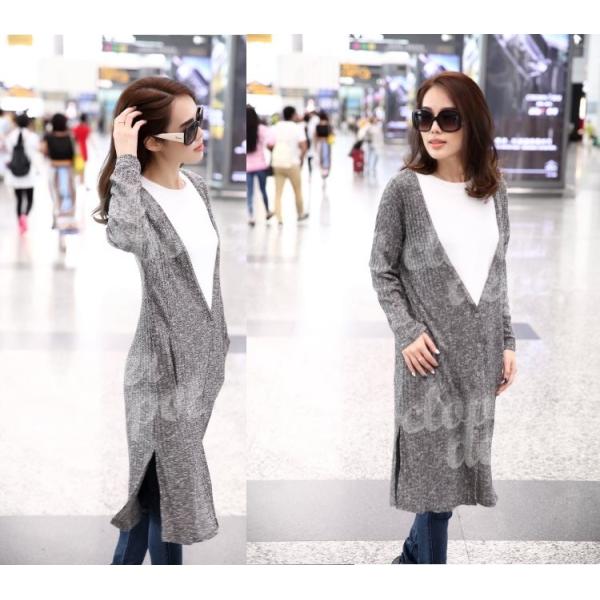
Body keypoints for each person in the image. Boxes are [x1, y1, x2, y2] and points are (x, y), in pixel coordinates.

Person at [369, 71, 517, 564]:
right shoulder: (404, 190)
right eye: (424, 117)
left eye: (448, 118)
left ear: (472, 123)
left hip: (479, 358)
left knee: (451, 481)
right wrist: (407, 332)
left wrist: (507, 340)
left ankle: (411, 559)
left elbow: (497, 272)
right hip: (427, 360)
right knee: (433, 485)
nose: (434, 129)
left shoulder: (493, 191)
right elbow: (382, 270)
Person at [92, 76, 230, 565]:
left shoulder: (198, 188)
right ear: (152, 141)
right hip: (160, 374)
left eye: (200, 120)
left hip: (201, 370)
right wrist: (125, 159)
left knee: (152, 499)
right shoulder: (138, 198)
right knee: (169, 502)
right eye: (188, 127)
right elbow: (124, 235)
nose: (200, 134)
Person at [39, 113, 77, 250]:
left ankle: (57, 218)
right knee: (67, 200)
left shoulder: (47, 136)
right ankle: (63, 230)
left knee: (56, 198)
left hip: (54, 170)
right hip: (68, 171)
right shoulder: (70, 136)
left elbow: (42, 150)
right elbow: (75, 153)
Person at [269, 105, 309, 225]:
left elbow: (269, 144)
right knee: (297, 190)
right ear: (293, 115)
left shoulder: (276, 127)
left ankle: (279, 217)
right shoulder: (297, 128)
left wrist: (275, 152)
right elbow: (304, 146)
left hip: (277, 163)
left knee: (278, 192)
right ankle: (300, 213)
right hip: (293, 163)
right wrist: (301, 159)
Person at [4, 112, 40, 234]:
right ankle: (25, 216)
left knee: (19, 199)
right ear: (28, 123)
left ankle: (20, 222)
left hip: (15, 172)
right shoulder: (33, 136)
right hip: (29, 171)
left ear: (16, 123)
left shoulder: (10, 136)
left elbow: (8, 151)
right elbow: (36, 152)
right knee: (30, 199)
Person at [246, 104, 274, 226]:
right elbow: (271, 142)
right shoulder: (262, 129)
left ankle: (251, 216)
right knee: (263, 190)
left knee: (250, 192)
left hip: (248, 167)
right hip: (261, 166)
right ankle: (267, 211)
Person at [72, 113, 91, 187]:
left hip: (76, 147)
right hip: (84, 148)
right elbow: (88, 138)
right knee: (83, 167)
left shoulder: (75, 128)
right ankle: (82, 181)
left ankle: (75, 181)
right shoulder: (87, 129)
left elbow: (73, 138)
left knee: (76, 165)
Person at [314, 110, 333, 181]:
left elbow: (315, 136)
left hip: (320, 142)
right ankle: (326, 170)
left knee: (320, 157)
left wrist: (315, 144)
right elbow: (331, 134)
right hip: (327, 143)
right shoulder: (328, 125)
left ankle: (322, 171)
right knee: (327, 157)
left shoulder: (318, 125)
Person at [0, 107, 13, 182]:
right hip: (4, 141)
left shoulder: (5, 121)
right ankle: (3, 174)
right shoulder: (5, 121)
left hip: (2, 141)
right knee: (4, 158)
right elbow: (8, 132)